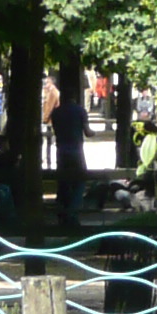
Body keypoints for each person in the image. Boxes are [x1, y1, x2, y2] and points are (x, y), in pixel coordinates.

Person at [50, 77, 90, 226]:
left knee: (63, 182)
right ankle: (72, 212)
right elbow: (87, 131)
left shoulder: (56, 112)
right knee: (80, 181)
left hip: (61, 151)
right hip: (76, 151)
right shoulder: (80, 111)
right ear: (74, 96)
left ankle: (62, 211)